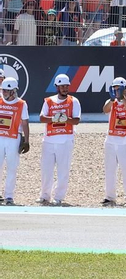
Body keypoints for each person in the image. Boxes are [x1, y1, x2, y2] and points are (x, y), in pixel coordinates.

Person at [39, 74, 80, 205]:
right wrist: (55, 118)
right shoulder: (49, 101)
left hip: (66, 140)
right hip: (49, 139)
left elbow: (76, 120)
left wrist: (65, 118)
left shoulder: (74, 101)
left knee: (63, 170)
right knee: (46, 170)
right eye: (62, 86)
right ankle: (45, 196)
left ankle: (59, 197)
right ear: (56, 86)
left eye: (66, 86)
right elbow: (42, 118)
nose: (64, 88)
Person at [103, 75, 126, 206]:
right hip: (111, 139)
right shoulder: (111, 103)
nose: (117, 91)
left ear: (125, 90)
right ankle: (110, 196)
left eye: (120, 89)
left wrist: (122, 99)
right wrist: (112, 100)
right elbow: (105, 110)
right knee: (110, 169)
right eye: (115, 89)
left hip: (125, 140)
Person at [0, 76, 26, 205]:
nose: (3, 92)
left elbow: (25, 122)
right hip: (0, 138)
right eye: (3, 90)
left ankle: (9, 196)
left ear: (13, 91)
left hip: (13, 139)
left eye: (6, 90)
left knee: (12, 168)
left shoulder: (21, 104)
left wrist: (27, 140)